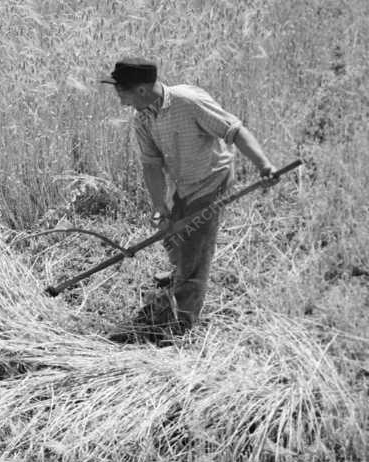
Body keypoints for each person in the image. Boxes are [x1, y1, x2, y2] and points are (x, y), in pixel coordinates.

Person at [102, 58, 277, 343]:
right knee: (171, 235)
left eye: (121, 89)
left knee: (195, 248)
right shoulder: (142, 117)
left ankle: (182, 322)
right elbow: (151, 165)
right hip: (182, 182)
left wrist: (264, 165)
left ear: (142, 90)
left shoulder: (189, 102)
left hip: (211, 179)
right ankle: (178, 275)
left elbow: (235, 131)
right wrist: (161, 207)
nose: (118, 95)